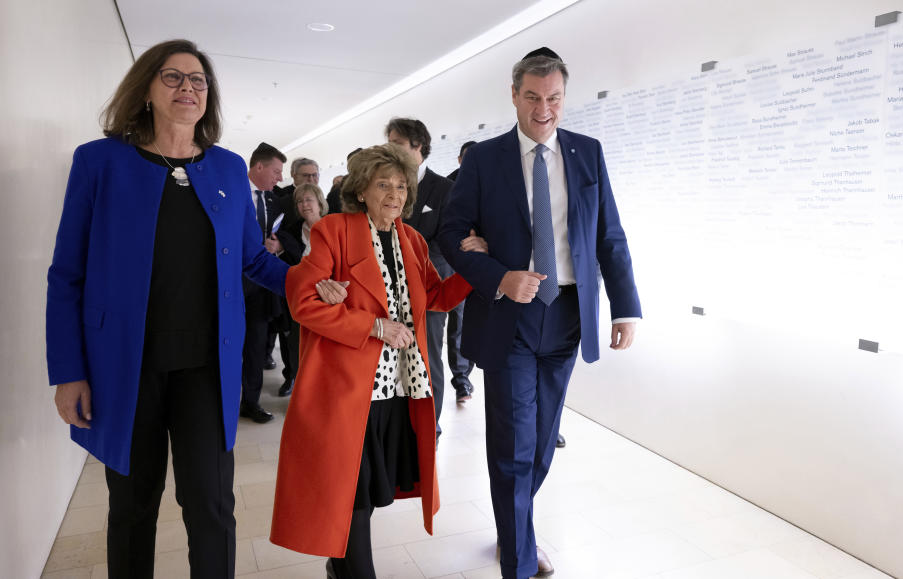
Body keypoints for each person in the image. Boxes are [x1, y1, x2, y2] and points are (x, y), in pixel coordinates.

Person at [46, 39, 289, 578]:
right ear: (147, 90)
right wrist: (69, 371)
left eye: (198, 80)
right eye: (173, 77)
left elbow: (254, 260)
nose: (188, 88)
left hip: (206, 369)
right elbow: (67, 274)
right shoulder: (99, 161)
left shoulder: (226, 169)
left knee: (212, 507)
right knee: (132, 507)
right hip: (125, 369)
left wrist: (311, 284)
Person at [438, 47, 642, 579]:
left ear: (563, 98)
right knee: (512, 441)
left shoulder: (587, 153)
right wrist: (499, 275)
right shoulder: (484, 158)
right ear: (514, 95)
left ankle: (514, 533)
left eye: (553, 97)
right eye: (532, 96)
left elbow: (609, 235)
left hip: (569, 315)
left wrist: (626, 307)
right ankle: (520, 561)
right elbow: (451, 232)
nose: (543, 108)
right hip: (510, 316)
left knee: (542, 442)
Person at [270, 144, 483, 578]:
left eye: (401, 185)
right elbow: (303, 302)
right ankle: (350, 570)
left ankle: (339, 564)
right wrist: (373, 326)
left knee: (366, 488)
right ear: (361, 191)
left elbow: (435, 298)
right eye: (383, 184)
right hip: (348, 386)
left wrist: (472, 268)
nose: (394, 193)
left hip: (398, 386)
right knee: (353, 493)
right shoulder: (336, 230)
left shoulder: (413, 240)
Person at [386, 118, 475, 440]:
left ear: (417, 146)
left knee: (426, 356)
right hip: (385, 290)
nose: (389, 147)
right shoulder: (385, 183)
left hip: (428, 288)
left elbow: (447, 243)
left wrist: (412, 272)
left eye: (396, 142)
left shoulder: (445, 189)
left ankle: (430, 423)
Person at [240, 142, 288, 423]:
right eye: (276, 171)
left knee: (256, 346)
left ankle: (251, 402)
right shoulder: (232, 194)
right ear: (258, 167)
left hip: (260, 289)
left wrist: (278, 245)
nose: (280, 178)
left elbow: (281, 233)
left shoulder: (272, 200)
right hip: (230, 285)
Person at [269, 157, 322, 396]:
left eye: (309, 200)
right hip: (299, 301)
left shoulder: (335, 227)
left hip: (329, 303)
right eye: (300, 201)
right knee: (296, 347)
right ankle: (297, 386)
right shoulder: (290, 231)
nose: (304, 204)